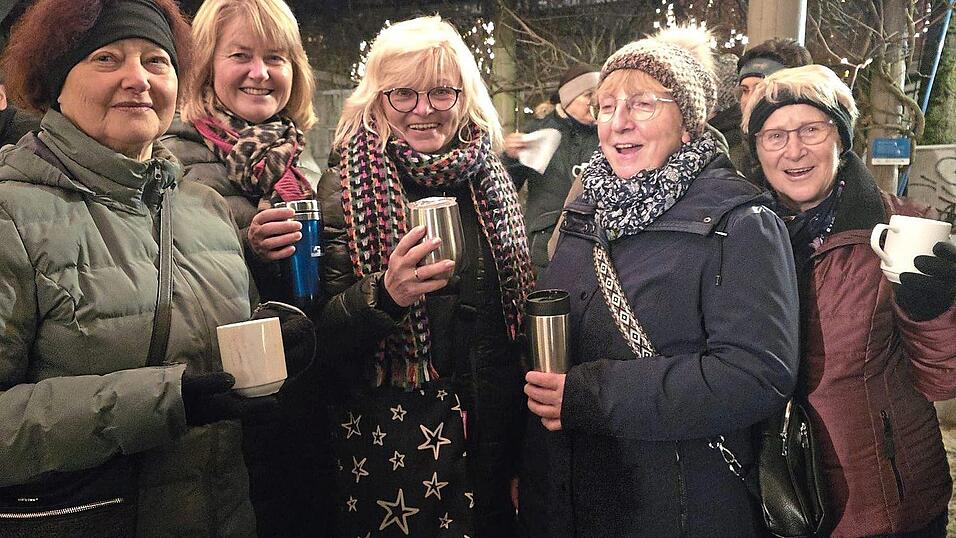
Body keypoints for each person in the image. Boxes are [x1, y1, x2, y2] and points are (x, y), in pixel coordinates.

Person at [520, 26, 800, 537]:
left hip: (680, 505)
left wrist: (592, 396)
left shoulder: (740, 221)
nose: (619, 122)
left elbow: (756, 375)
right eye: (607, 106)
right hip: (574, 498)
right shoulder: (584, 209)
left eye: (643, 105)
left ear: (688, 123)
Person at [0, 0, 260, 535]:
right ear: (56, 82)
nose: (138, 79)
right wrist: (157, 403)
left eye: (156, 61)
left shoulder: (205, 208)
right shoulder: (12, 217)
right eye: (106, 58)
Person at [318, 15, 532, 537]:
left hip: (493, 435)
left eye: (441, 92)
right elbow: (322, 342)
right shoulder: (345, 186)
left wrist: (523, 447)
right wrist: (384, 296)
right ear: (376, 99)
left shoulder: (490, 178)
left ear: (464, 96)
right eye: (403, 94)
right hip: (397, 446)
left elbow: (506, 332)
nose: (423, 109)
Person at [743, 64, 956, 538]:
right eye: (774, 136)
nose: (793, 150)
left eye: (811, 130)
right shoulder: (735, 234)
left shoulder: (902, 228)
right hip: (773, 495)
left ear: (841, 137)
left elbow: (944, 378)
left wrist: (935, 309)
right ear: (757, 150)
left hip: (882, 498)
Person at [160, 1, 328, 535]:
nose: (260, 72)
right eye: (240, 56)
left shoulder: (299, 159)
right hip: (223, 416)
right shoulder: (170, 159)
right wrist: (247, 249)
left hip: (304, 404)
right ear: (206, 64)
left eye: (275, 57)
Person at [504, 64, 600, 275]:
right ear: (568, 98)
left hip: (594, 244)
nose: (595, 102)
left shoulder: (605, 134)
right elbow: (507, 190)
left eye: (598, 95)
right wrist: (510, 159)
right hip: (543, 249)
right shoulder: (540, 132)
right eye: (588, 95)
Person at [733, 38, 812, 178]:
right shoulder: (729, 153)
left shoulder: (814, 148)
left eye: (761, 89)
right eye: (745, 90)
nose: (750, 99)